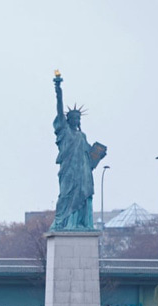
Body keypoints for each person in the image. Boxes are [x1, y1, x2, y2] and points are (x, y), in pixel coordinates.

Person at [49, 70, 106, 231]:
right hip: (68, 172)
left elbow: (89, 156)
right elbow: (59, 110)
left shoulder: (82, 136)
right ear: (68, 120)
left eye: (78, 119)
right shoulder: (64, 132)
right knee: (66, 196)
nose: (77, 120)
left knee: (83, 195)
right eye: (74, 118)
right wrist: (58, 89)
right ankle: (67, 222)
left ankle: (81, 223)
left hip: (83, 174)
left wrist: (98, 155)